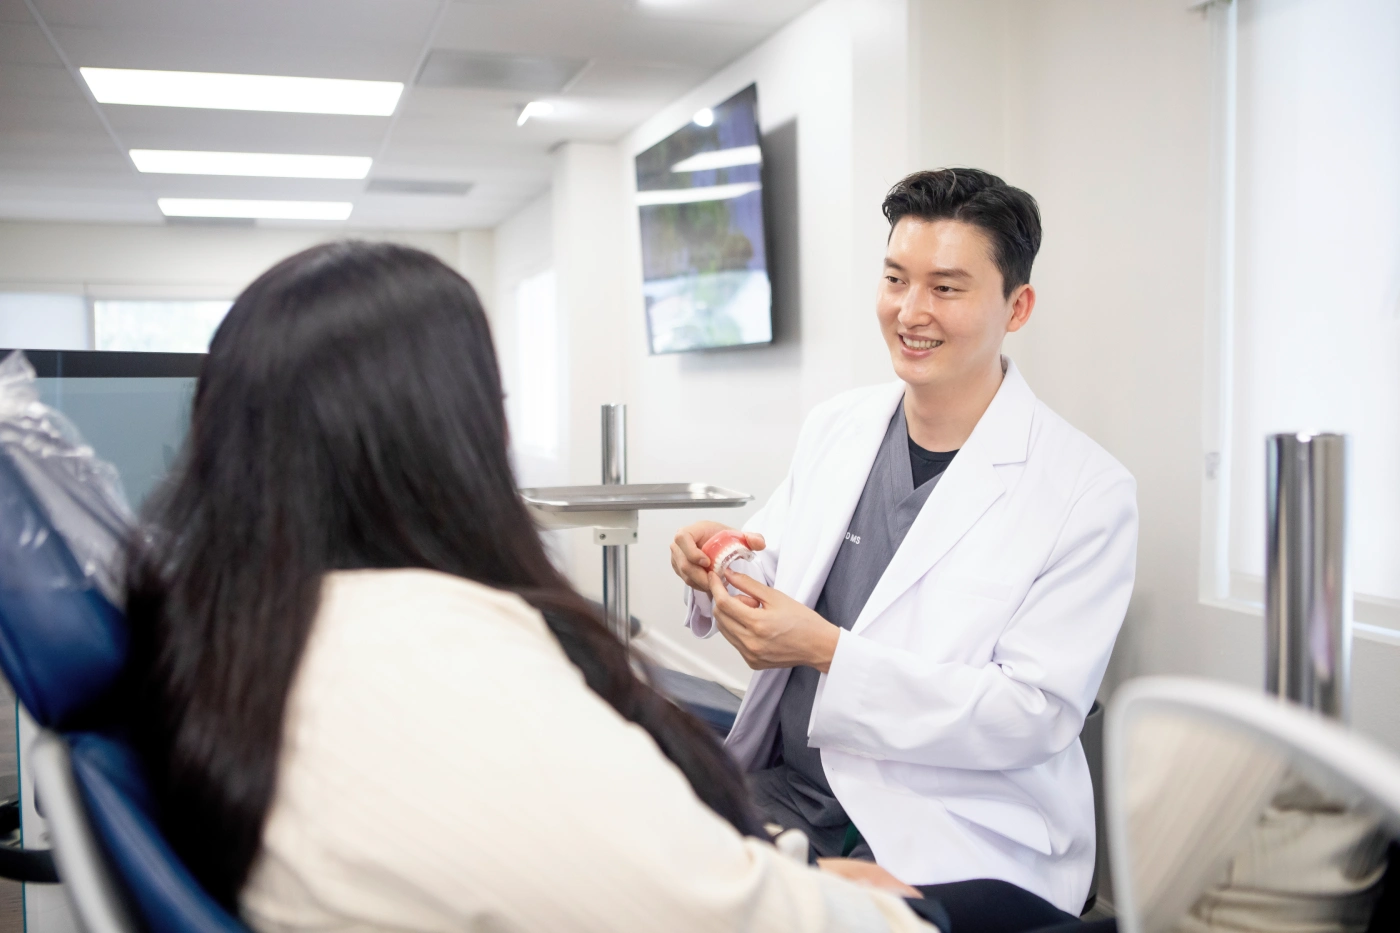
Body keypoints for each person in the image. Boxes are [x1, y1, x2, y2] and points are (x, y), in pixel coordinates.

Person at [121, 242, 940, 933]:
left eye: (944, 286)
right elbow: (697, 902)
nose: (913, 309)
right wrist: (837, 892)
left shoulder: (236, 621)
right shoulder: (435, 654)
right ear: (445, 438)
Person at [671, 168, 1139, 915]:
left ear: (1017, 307)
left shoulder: (1087, 489)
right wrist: (717, 558)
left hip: (951, 824)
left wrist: (827, 650)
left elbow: (1034, 713)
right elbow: (773, 554)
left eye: (946, 288)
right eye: (896, 278)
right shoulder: (839, 425)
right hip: (794, 787)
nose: (910, 311)